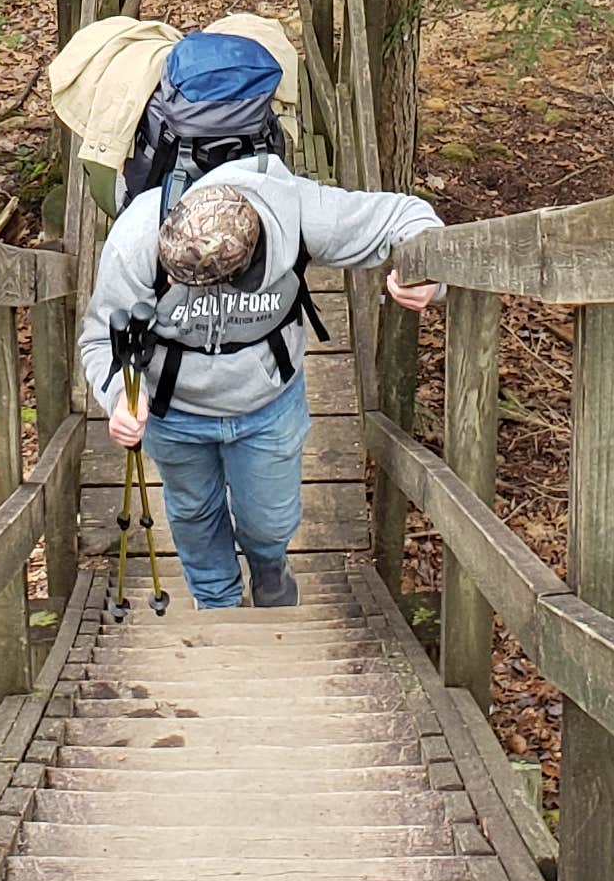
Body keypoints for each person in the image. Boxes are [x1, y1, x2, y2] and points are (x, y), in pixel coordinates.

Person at [78, 129, 442, 610]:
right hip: (173, 408)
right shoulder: (137, 234)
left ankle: (269, 566)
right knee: (193, 515)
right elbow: (99, 338)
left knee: (269, 521)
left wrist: (429, 274)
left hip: (269, 403)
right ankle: (217, 606)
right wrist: (118, 398)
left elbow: (408, 217)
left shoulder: (298, 209)